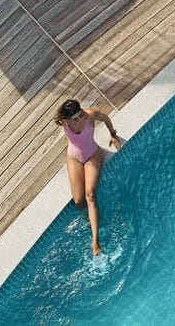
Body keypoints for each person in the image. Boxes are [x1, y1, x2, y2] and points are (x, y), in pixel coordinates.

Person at [54, 99, 121, 255]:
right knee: (78, 201)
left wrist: (113, 135)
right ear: (67, 119)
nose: (80, 119)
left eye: (80, 115)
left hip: (92, 155)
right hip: (74, 157)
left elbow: (105, 118)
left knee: (90, 194)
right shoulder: (63, 121)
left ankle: (95, 241)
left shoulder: (90, 114)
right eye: (75, 118)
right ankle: (89, 220)